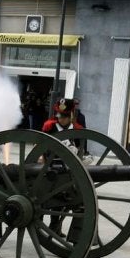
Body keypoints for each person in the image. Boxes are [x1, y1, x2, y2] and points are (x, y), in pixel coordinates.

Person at [42, 98, 84, 236]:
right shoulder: (50, 127)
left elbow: (83, 149)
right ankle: (44, 224)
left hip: (69, 168)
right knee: (49, 198)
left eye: (65, 117)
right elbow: (42, 146)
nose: (61, 119)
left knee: (64, 199)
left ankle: (56, 226)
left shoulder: (78, 130)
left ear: (71, 116)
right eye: (59, 116)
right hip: (51, 166)